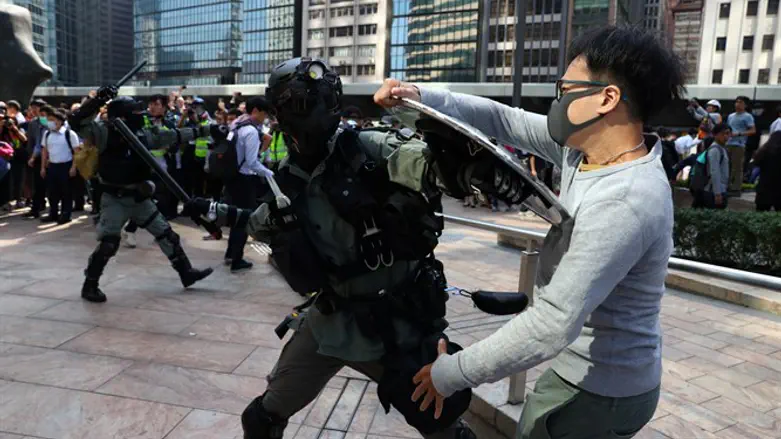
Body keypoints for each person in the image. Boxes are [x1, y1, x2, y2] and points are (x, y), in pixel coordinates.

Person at [183, 57, 526, 439]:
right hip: (329, 322)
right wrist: (216, 211)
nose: (301, 113)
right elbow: (264, 220)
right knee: (261, 419)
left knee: (446, 431)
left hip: (394, 326)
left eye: (306, 101)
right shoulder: (291, 179)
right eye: (291, 103)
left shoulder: (367, 148)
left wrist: (467, 170)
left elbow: (423, 165)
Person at [375, 25, 684, 439]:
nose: (559, 100)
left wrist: (451, 373)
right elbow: (502, 118)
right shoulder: (584, 154)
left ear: (606, 99)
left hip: (599, 391)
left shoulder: (626, 199)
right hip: (593, 374)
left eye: (566, 87)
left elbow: (552, 323)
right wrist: (421, 97)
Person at [68, 87, 216, 303]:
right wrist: (97, 101)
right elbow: (77, 122)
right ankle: (90, 284)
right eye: (135, 115)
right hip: (114, 198)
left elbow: (172, 135)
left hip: (140, 196)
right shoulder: (104, 133)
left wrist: (208, 130)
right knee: (109, 242)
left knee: (167, 235)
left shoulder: (143, 134)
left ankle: (186, 273)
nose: (141, 117)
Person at [222, 97, 274, 273]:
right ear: (256, 111)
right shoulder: (251, 131)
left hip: (233, 177)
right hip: (245, 181)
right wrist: (269, 173)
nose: (265, 117)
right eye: (264, 113)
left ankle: (230, 254)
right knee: (244, 220)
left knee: (235, 217)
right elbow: (252, 162)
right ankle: (237, 260)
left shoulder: (237, 124)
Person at [40, 111, 80, 224]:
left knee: (66, 192)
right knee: (52, 192)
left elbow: (77, 152)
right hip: (52, 166)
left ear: (60, 121)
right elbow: (44, 151)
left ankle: (66, 214)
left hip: (66, 166)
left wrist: (73, 167)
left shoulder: (69, 134)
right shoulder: (47, 134)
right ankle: (53, 213)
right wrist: (43, 167)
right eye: (49, 119)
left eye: (52, 119)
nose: (50, 122)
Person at [726, 96, 756, 193]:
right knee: (727, 166)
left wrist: (739, 133)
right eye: (736, 102)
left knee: (737, 167)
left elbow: (753, 130)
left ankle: (736, 188)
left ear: (745, 105)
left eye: (740, 102)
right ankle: (726, 185)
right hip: (728, 143)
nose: (737, 104)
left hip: (739, 144)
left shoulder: (748, 116)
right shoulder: (730, 116)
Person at [0, 112, 28, 209]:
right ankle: (5, 201)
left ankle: (19, 199)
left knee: (19, 179)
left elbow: (24, 140)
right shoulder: (2, 131)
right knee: (6, 181)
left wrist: (14, 129)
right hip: (4, 159)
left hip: (17, 158)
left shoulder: (16, 130)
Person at [752, 131, 781, 211]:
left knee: (760, 216)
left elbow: (756, 164)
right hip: (779, 190)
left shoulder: (763, 152)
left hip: (764, 189)